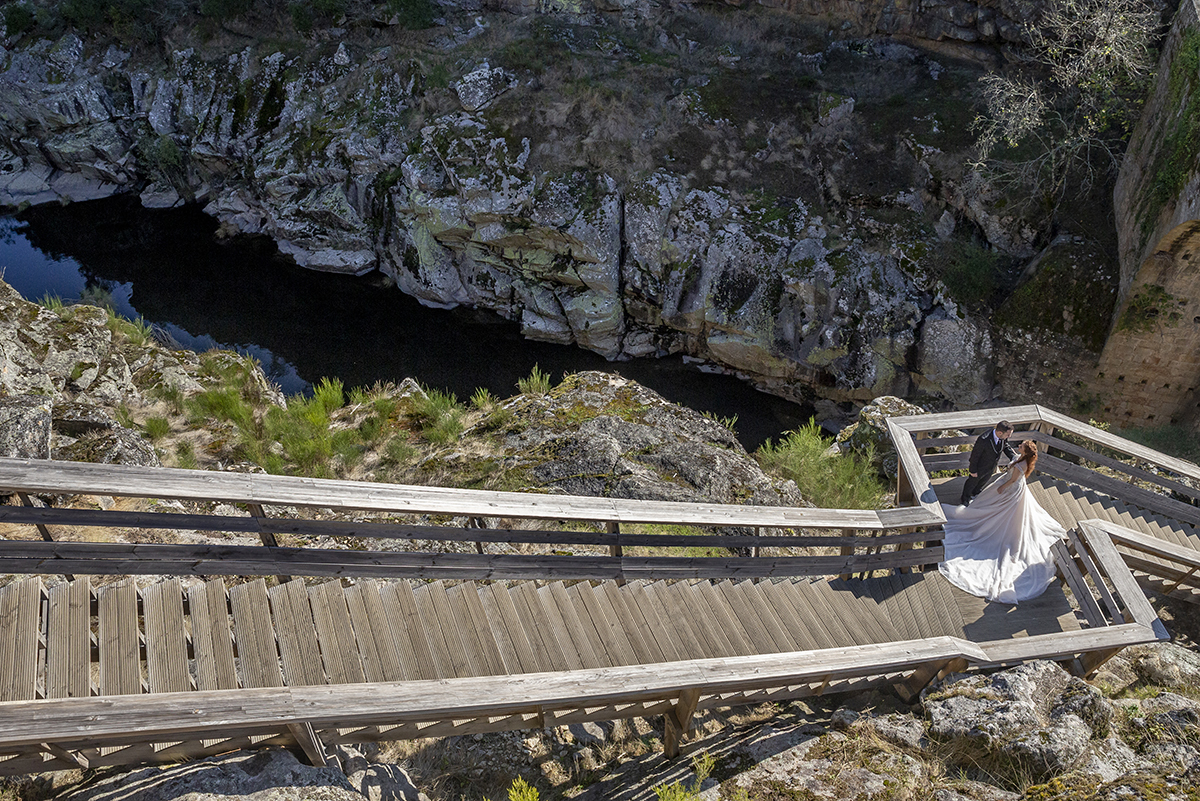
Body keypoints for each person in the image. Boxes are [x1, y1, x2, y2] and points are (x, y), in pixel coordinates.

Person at [938, 439, 1066, 603]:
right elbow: (1014, 466)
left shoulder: (1021, 465)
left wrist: (1001, 488)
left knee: (1002, 513)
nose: (1018, 446)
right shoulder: (1023, 460)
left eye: (1021, 447)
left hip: (1010, 489)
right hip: (1017, 487)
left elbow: (1012, 480)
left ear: (1025, 452)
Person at [960, 421, 1017, 507]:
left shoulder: (1003, 437)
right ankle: (965, 498)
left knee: (984, 481)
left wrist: (1013, 457)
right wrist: (973, 470)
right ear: (1000, 432)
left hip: (991, 466)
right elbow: (975, 456)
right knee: (972, 482)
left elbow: (1005, 446)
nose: (1009, 437)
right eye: (1008, 435)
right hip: (980, 466)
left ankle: (976, 493)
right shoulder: (983, 439)